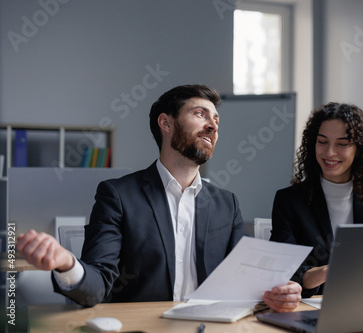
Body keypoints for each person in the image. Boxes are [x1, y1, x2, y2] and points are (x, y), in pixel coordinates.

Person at [17, 84, 301, 312]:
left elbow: (246, 281)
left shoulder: (227, 203)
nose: (213, 126)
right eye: (200, 114)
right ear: (166, 123)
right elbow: (97, 286)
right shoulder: (118, 195)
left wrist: (279, 291)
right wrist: (67, 263)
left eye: (216, 119)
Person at [270, 102, 363, 298]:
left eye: (342, 144)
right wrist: (328, 271)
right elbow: (283, 274)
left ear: (359, 149)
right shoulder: (289, 201)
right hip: (308, 307)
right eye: (322, 142)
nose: (329, 153)